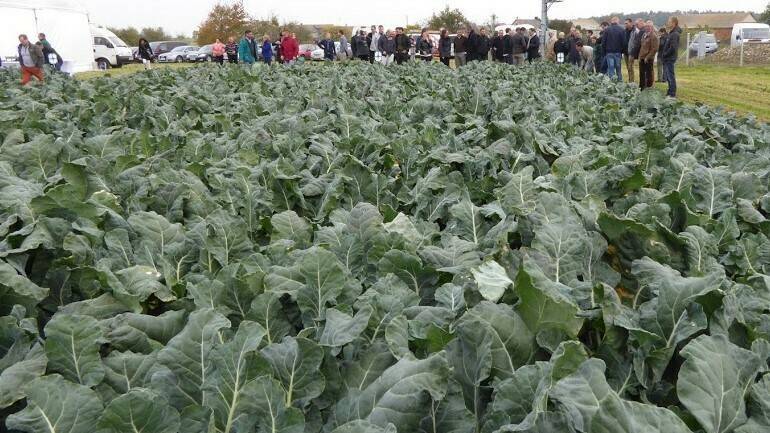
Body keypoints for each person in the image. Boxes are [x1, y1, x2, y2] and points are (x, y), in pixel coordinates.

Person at [660, 16, 681, 97]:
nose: (668, 23)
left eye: (669, 22)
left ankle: (672, 93)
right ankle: (669, 91)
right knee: (668, 76)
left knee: (670, 76)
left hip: (670, 58)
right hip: (667, 58)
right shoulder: (671, 33)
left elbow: (673, 48)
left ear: (673, 23)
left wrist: (665, 54)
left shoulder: (675, 34)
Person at [638, 21, 659, 89]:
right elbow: (642, 46)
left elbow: (654, 49)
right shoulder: (644, 34)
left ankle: (648, 88)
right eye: (646, 26)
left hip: (648, 58)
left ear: (652, 27)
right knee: (641, 73)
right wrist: (640, 56)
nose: (647, 27)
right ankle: (641, 87)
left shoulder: (654, 36)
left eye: (649, 26)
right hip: (642, 57)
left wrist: (647, 57)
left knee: (648, 74)